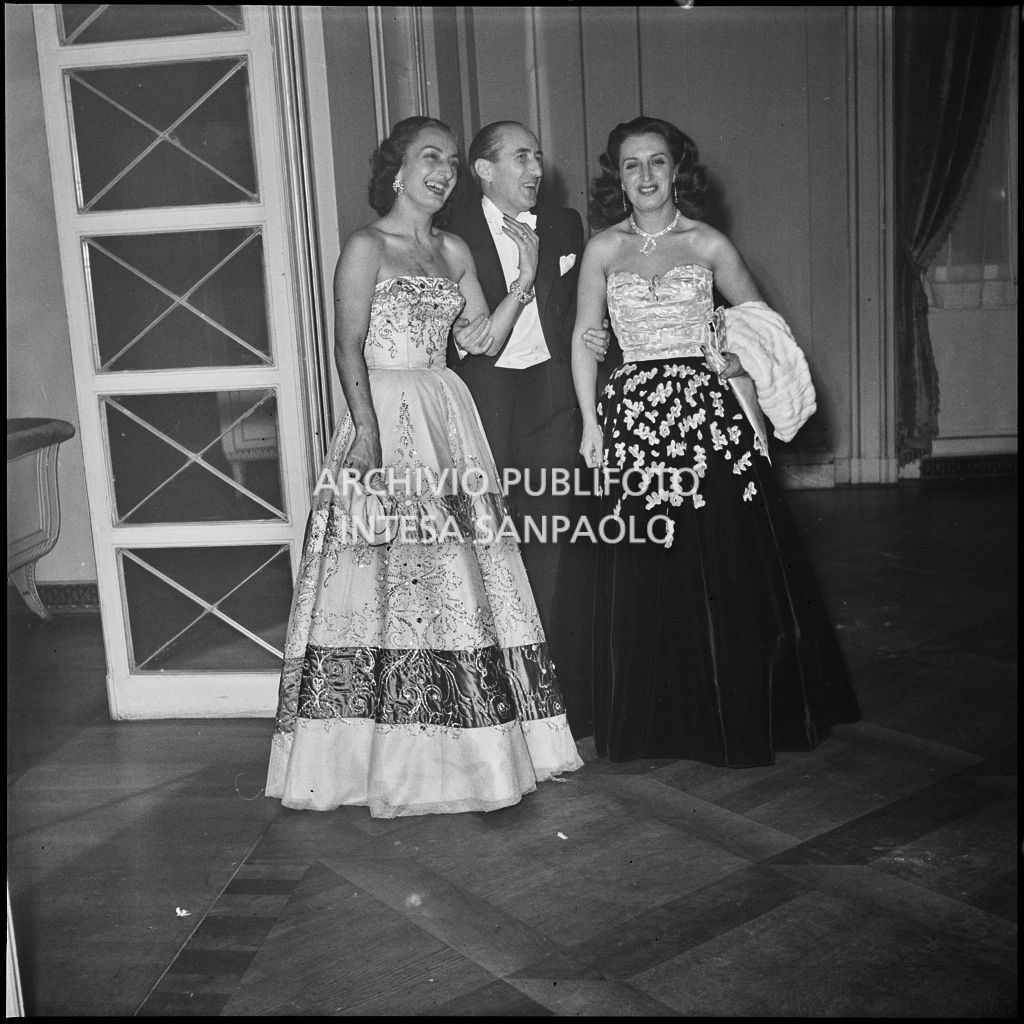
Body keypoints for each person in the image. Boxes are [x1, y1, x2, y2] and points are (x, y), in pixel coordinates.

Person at [265, 116, 582, 818]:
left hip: (445, 410)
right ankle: (370, 758)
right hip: (382, 408)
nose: (440, 171)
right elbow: (346, 346)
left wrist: (525, 279)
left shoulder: (452, 248)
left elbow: (477, 339)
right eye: (427, 157)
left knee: (456, 580)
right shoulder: (365, 246)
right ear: (397, 171)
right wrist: (367, 435)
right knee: (379, 582)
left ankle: (467, 751)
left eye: (447, 160)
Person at [571, 116, 860, 766]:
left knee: (722, 565)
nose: (644, 176)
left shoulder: (709, 244)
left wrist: (734, 364)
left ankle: (733, 710)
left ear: (677, 171)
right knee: (644, 569)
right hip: (633, 416)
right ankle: (653, 719)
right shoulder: (603, 249)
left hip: (706, 418)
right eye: (631, 165)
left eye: (656, 163)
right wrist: (591, 423)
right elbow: (586, 339)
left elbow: (761, 328)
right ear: (617, 176)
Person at [445, 122, 609, 658]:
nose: (537, 169)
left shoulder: (564, 223)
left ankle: (549, 665)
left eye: (538, 156)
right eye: (522, 158)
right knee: (487, 532)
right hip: (484, 395)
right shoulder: (451, 230)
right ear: (485, 170)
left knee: (551, 530)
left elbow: (580, 306)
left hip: (551, 392)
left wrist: (600, 332)